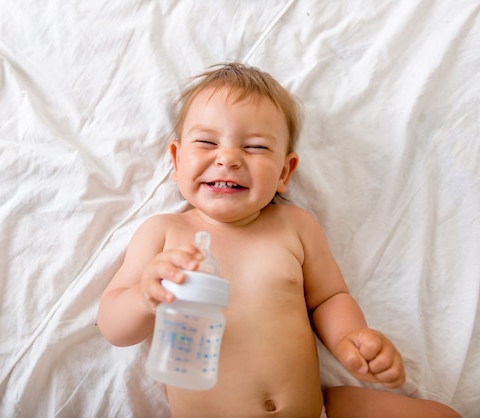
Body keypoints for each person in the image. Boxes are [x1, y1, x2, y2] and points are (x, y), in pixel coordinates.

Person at [97, 62, 460, 418]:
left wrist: (353, 338)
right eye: (207, 142)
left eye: (255, 147)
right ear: (177, 161)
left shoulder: (294, 225)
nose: (228, 158)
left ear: (285, 172)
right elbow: (113, 327)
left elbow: (329, 297)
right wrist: (146, 296)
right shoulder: (163, 233)